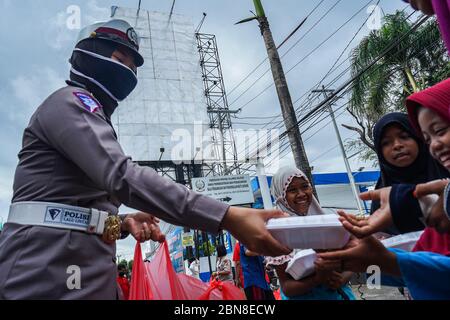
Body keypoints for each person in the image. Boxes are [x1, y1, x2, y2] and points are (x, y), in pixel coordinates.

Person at [0, 19, 290, 300]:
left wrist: (122, 222)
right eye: (119, 55)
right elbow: (122, 175)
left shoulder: (95, 118)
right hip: (46, 269)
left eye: (133, 64)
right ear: (88, 53)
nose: (128, 66)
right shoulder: (70, 101)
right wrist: (227, 216)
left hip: (84, 274)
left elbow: (72, 206)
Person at [316, 78, 450, 299]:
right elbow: (376, 275)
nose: (397, 145)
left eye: (405, 136)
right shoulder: (383, 199)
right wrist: (352, 270)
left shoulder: (442, 178)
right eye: (386, 143)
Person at [266, 167, 355, 300]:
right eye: (292, 190)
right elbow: (287, 288)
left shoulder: (327, 222)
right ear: (281, 195)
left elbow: (351, 264)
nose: (301, 194)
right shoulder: (279, 233)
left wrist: (342, 278)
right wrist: (318, 279)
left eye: (305, 186)